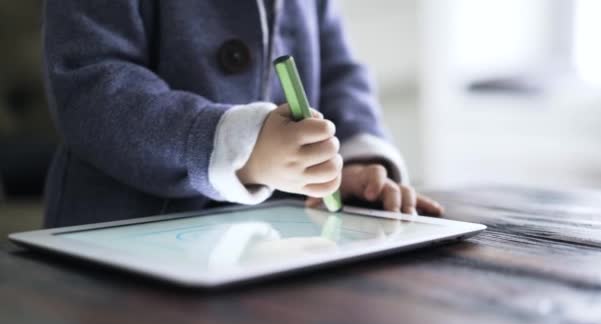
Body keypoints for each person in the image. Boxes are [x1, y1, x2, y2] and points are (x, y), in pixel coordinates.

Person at [42, 0, 443, 227]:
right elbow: (93, 84)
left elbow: (338, 69)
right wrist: (239, 146)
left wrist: (350, 162)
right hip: (119, 243)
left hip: (280, 241)